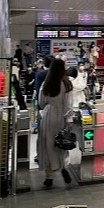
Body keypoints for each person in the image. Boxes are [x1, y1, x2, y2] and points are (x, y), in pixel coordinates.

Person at [38, 58, 73, 188]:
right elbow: (68, 105)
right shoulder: (66, 83)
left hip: (47, 115)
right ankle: (63, 167)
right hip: (60, 116)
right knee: (61, 143)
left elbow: (41, 102)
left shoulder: (46, 84)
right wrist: (68, 120)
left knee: (47, 145)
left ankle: (49, 177)